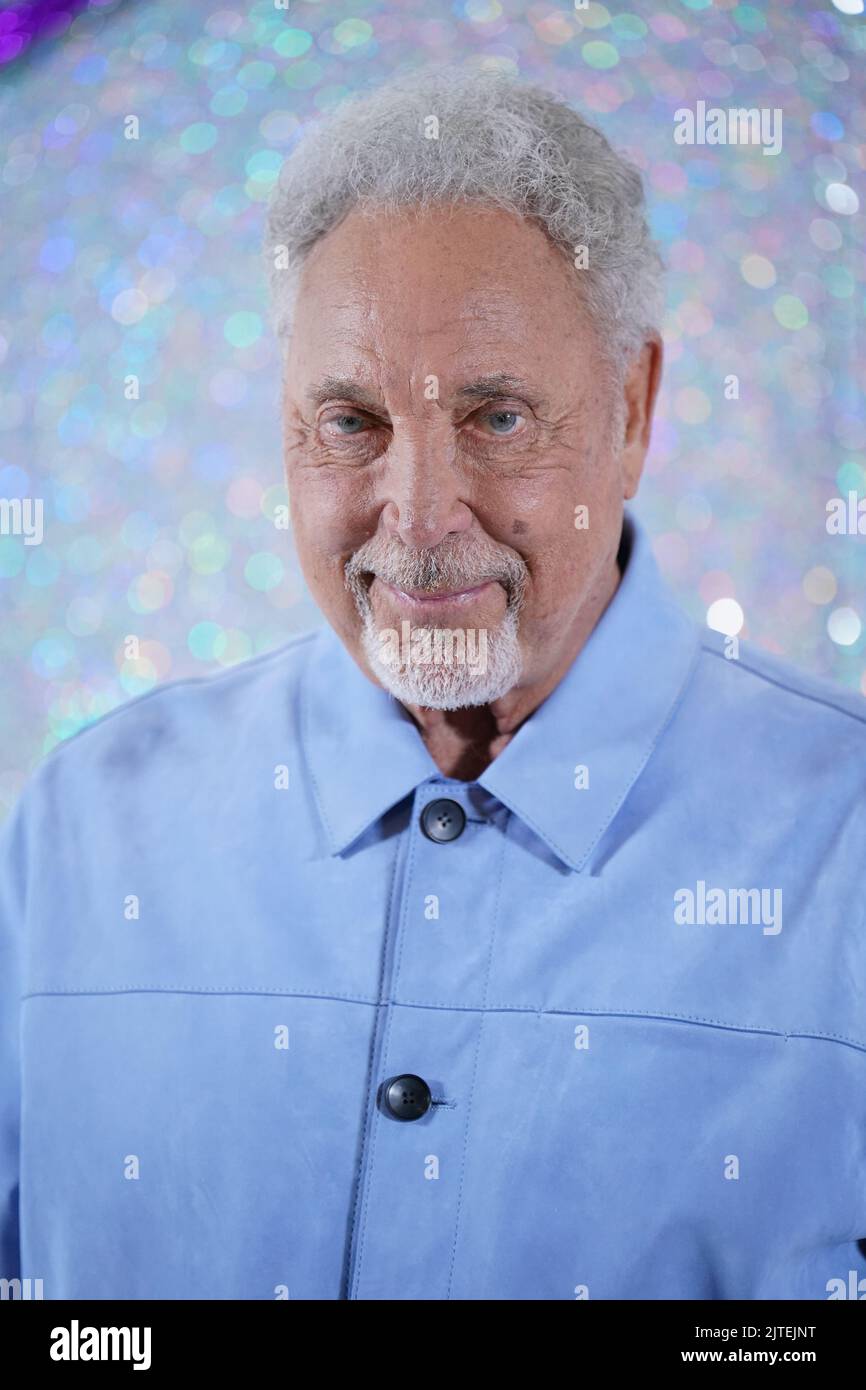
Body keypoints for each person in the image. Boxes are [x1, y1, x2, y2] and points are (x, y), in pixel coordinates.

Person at [2, 65, 865, 1302]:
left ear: (631, 411)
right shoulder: (77, 835)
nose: (414, 518)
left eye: (496, 417)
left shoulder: (842, 845)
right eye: (348, 420)